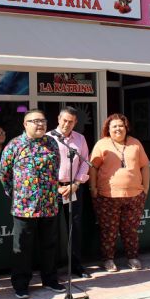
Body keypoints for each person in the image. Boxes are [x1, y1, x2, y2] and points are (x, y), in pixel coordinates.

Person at [0, 109, 65, 299]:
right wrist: (17, 194)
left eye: (43, 121)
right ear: (25, 124)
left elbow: (56, 168)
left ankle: (50, 279)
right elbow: (4, 173)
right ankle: (21, 284)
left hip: (49, 204)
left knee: (50, 245)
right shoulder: (14, 145)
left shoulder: (52, 143)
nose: (40, 124)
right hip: (24, 206)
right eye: (35, 121)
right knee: (22, 248)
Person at [89, 113, 150, 272]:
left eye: (121, 126)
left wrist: (146, 188)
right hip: (107, 196)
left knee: (131, 230)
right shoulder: (101, 144)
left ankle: (132, 258)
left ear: (126, 127)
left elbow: (145, 166)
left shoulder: (135, 143)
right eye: (114, 126)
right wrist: (93, 188)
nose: (118, 129)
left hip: (134, 195)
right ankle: (108, 260)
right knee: (108, 231)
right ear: (108, 129)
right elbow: (93, 167)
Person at [48, 106, 91, 278]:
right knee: (51, 229)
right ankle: (52, 269)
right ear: (58, 119)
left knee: (75, 228)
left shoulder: (80, 139)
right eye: (64, 120)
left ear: (75, 122)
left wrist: (76, 184)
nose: (67, 124)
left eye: (70, 121)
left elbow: (85, 162)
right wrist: (55, 186)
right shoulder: (47, 138)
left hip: (74, 188)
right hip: (53, 189)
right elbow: (43, 166)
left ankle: (76, 265)